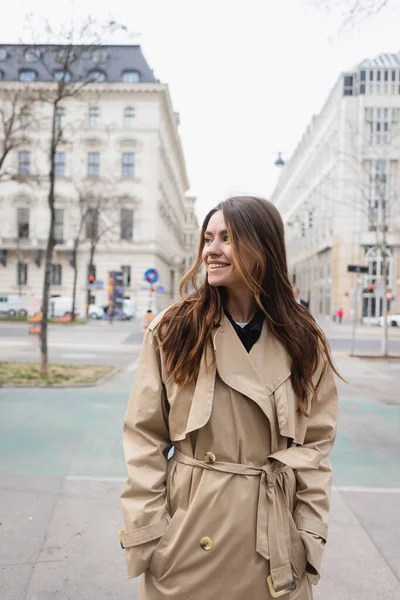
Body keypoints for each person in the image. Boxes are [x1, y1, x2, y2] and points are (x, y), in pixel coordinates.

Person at [119, 196, 339, 600]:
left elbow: (316, 450)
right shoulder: (175, 329)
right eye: (208, 238)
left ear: (263, 249)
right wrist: (151, 534)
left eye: (227, 238)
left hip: (272, 546)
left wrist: (307, 536)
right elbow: (144, 438)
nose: (211, 250)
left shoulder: (304, 340)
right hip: (187, 540)